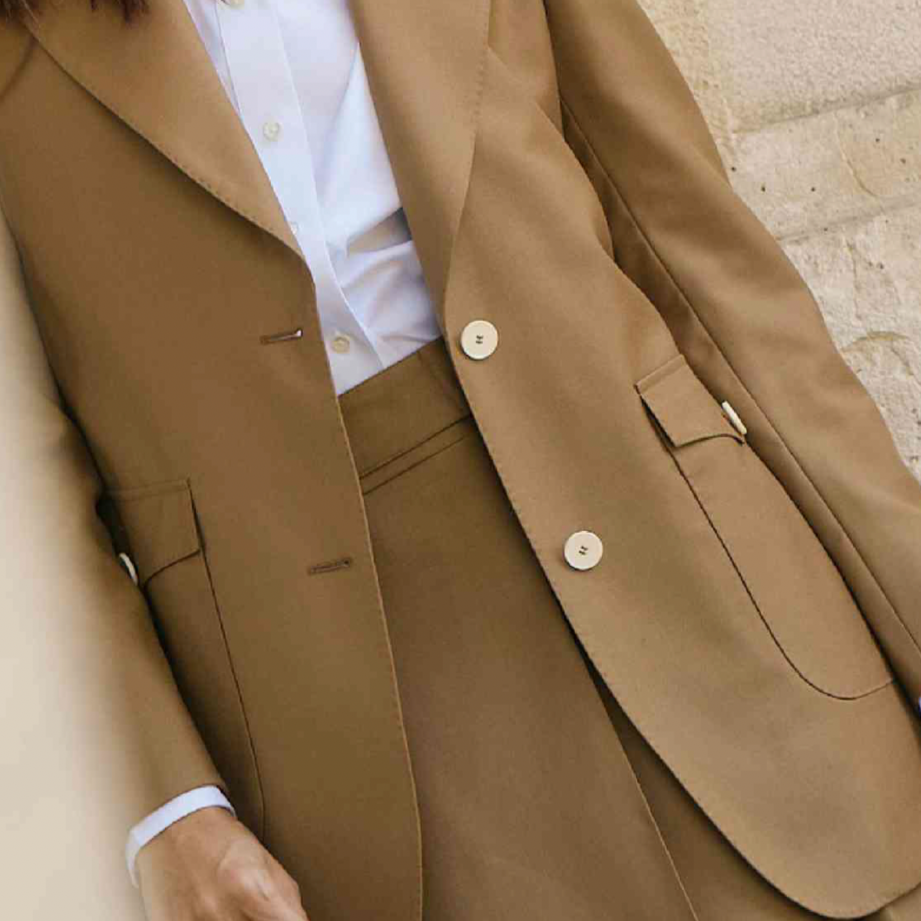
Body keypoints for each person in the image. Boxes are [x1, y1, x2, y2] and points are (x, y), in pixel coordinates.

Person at [3, 0, 921, 918]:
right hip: (366, 756)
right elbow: (26, 495)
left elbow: (711, 270)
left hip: (715, 605)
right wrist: (166, 806)